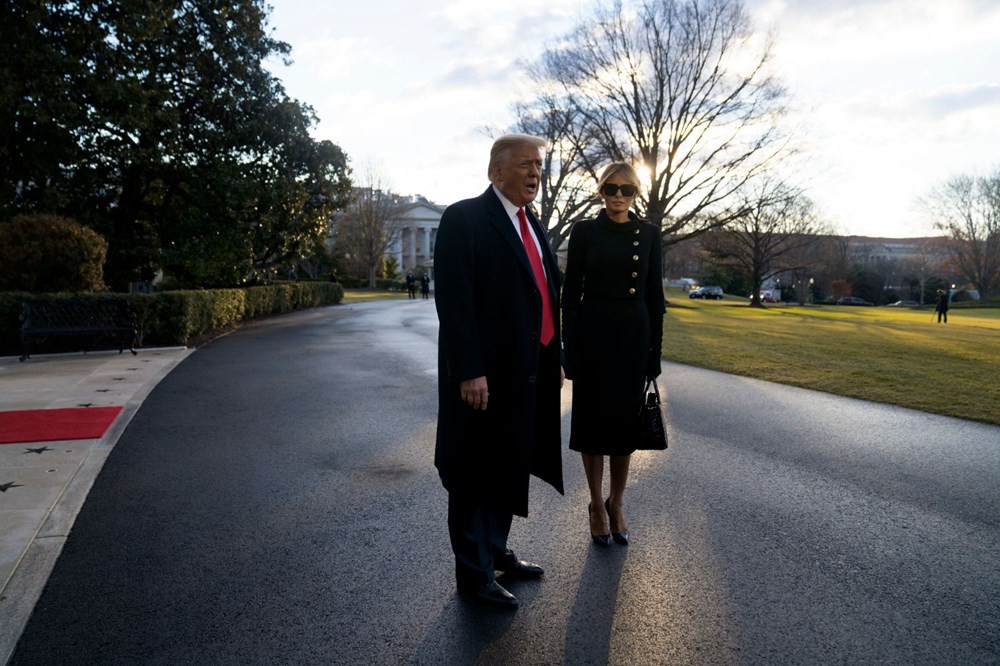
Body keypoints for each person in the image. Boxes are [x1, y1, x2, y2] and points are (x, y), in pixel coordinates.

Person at [434, 134, 565, 609]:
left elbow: (546, 298)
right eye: (527, 165)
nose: (535, 173)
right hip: (482, 379)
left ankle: (495, 552)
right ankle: (474, 575)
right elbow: (454, 300)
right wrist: (469, 369)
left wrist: (557, 357)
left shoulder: (534, 225)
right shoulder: (464, 218)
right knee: (474, 472)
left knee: (508, 466)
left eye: (539, 166)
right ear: (497, 172)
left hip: (526, 376)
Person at [561, 162, 664, 547]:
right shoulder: (584, 231)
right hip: (592, 336)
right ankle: (594, 505)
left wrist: (655, 352)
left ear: (637, 193)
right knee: (591, 424)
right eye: (610, 188)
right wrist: (568, 349)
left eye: (627, 189)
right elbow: (570, 296)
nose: (618, 196)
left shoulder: (649, 235)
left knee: (624, 427)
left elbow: (655, 299)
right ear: (600, 191)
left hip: (632, 338)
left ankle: (617, 502)